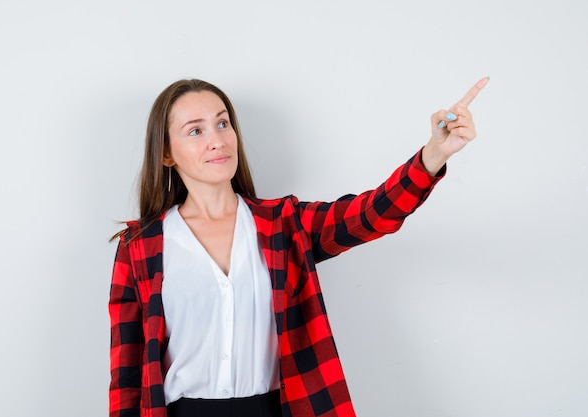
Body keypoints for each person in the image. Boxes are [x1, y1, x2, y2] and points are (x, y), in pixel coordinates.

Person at [109, 77, 489, 417]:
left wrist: (435, 154)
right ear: (166, 154)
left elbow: (371, 214)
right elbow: (126, 372)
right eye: (195, 131)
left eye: (223, 123)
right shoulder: (140, 247)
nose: (217, 140)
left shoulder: (284, 225)